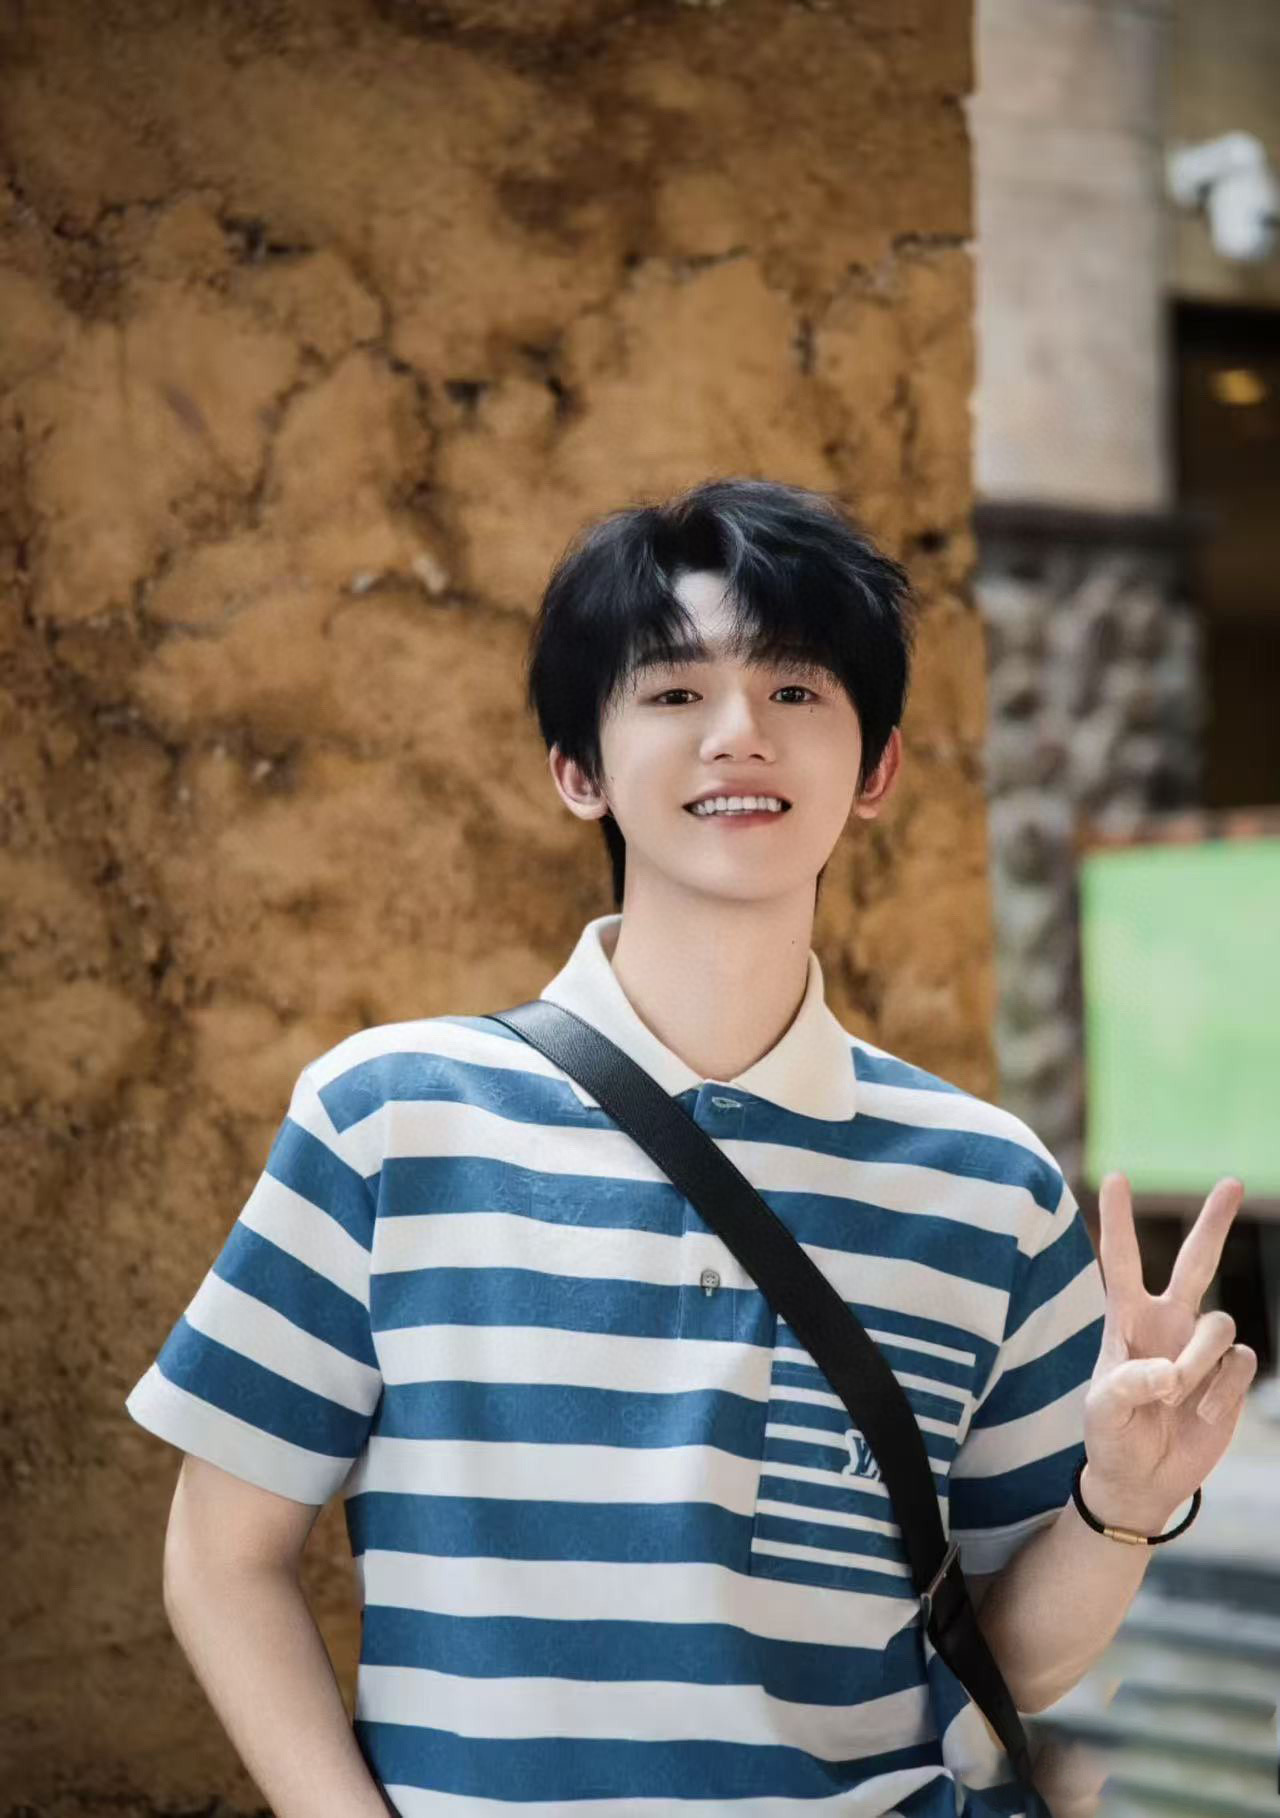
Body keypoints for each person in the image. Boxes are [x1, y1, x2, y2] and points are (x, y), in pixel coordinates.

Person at [125, 476, 1253, 1818]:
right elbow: (221, 1556)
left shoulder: (992, 1189)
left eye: (796, 690)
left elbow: (1004, 1663)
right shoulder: (388, 1121)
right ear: (578, 769)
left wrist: (1123, 1500)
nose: (739, 735)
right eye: (673, 690)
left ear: (878, 769)